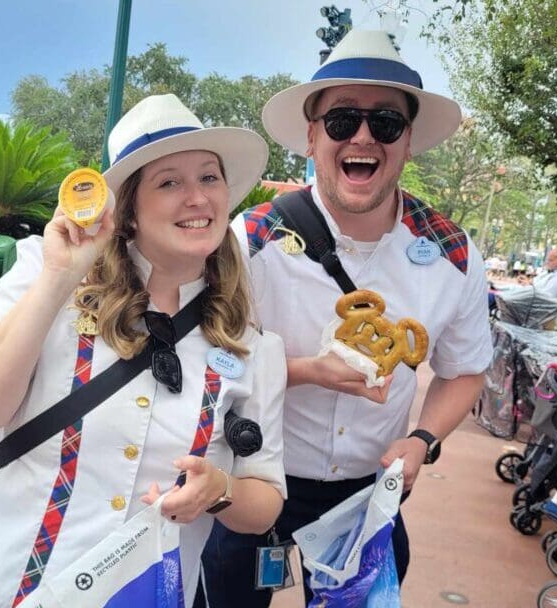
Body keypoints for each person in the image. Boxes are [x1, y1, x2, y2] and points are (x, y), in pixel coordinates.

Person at [0, 94, 287, 608]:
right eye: (170, 182)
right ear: (126, 211)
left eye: (209, 177)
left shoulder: (251, 345)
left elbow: (264, 499)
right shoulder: (43, 272)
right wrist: (58, 278)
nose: (198, 198)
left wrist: (217, 490)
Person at [200, 29, 492, 607]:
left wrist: (422, 439)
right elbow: (207, 359)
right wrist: (308, 370)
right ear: (312, 137)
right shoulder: (249, 241)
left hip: (368, 494)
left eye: (385, 123)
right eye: (341, 121)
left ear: (408, 142)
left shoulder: (453, 254)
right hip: (253, 480)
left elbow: (465, 369)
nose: (363, 136)